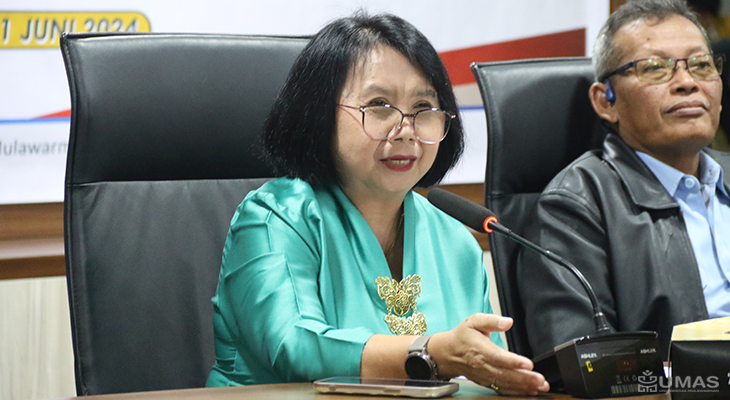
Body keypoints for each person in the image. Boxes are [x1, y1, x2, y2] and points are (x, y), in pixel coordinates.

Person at [205, 12, 549, 395]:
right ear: (319, 114)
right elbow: (294, 347)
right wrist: (432, 352)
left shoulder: (457, 242)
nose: (406, 130)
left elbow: (485, 377)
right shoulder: (275, 218)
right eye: (379, 105)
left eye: (423, 108)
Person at [518, 0, 730, 361]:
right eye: (655, 68)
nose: (687, 82)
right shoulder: (574, 207)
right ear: (606, 101)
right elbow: (586, 363)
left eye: (701, 65)